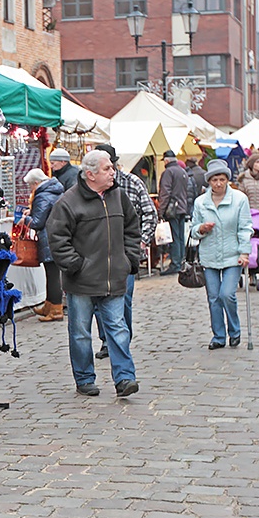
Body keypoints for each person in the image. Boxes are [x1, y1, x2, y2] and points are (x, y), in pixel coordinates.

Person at [47, 149, 141, 398]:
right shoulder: (69, 201)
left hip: (113, 279)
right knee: (80, 333)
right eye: (107, 168)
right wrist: (75, 265)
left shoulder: (119, 196)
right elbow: (56, 237)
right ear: (90, 174)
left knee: (118, 329)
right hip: (82, 282)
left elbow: (132, 228)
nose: (113, 172)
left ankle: (124, 378)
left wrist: (129, 259)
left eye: (112, 167)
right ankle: (85, 378)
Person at [92, 143, 157, 360]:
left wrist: (141, 242)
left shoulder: (132, 183)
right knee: (100, 300)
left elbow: (150, 213)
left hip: (125, 254)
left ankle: (122, 340)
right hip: (98, 254)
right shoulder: (89, 186)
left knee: (123, 298)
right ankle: (106, 341)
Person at [191, 159, 252, 349]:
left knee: (227, 294)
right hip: (209, 255)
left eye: (222, 179)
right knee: (213, 297)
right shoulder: (200, 202)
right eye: (214, 180)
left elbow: (244, 228)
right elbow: (192, 230)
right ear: (209, 181)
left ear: (227, 180)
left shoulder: (240, 199)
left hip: (233, 255)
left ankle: (234, 330)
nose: (218, 183)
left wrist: (244, 252)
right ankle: (218, 336)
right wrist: (201, 228)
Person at [22, 168, 65, 322]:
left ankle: (55, 310)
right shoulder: (54, 191)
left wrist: (25, 219)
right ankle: (49, 305)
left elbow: (38, 222)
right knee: (53, 274)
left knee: (52, 275)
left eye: (30, 186)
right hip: (58, 236)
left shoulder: (42, 195)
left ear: (36, 183)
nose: (30, 189)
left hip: (49, 238)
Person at [157, 149, 190, 275]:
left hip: (173, 209)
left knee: (175, 237)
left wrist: (161, 210)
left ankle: (175, 264)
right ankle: (181, 261)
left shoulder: (168, 172)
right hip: (182, 207)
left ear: (166, 160)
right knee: (181, 237)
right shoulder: (182, 171)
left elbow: (165, 193)